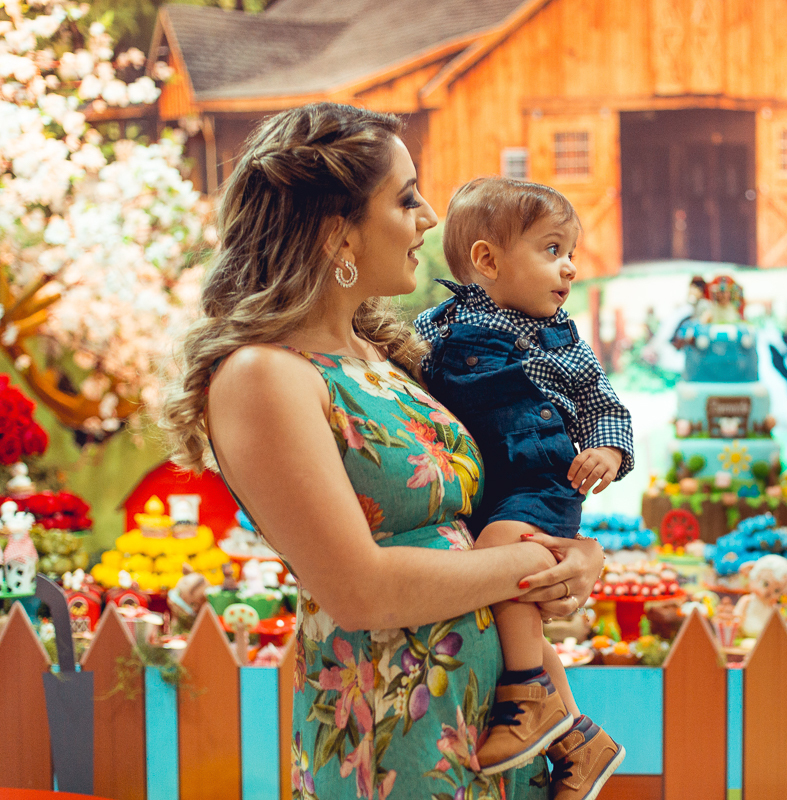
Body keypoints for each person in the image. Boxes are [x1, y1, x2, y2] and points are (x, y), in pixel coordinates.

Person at [159, 102, 604, 800]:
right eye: (405, 198)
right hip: (394, 732)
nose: (429, 218)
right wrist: (530, 565)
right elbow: (358, 590)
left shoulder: (386, 358)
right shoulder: (264, 375)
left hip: (487, 723)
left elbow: (473, 517)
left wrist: (572, 557)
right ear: (337, 233)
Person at [413, 177, 631, 797]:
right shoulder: (436, 325)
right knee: (511, 600)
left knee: (503, 566)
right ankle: (580, 740)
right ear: (486, 260)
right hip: (487, 489)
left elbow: (602, 401)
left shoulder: (559, 335)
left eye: (571, 253)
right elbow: (408, 379)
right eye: (552, 250)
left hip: (541, 482)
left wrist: (608, 449)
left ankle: (530, 694)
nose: (568, 269)